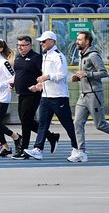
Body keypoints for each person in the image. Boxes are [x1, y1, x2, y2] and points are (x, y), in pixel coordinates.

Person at [23, 31, 79, 162]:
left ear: (52, 41)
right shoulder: (46, 55)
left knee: (67, 124)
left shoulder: (58, 56)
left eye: (44, 41)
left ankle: (77, 148)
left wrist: (47, 77)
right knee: (43, 124)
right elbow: (47, 76)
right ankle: (38, 149)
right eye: (41, 41)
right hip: (46, 96)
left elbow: (62, 75)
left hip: (59, 96)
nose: (41, 43)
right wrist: (39, 85)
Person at [72, 31, 109, 162]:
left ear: (87, 41)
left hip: (94, 95)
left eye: (79, 39)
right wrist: (78, 77)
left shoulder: (93, 55)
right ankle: (81, 152)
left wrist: (87, 74)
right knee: (77, 123)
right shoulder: (82, 54)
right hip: (83, 95)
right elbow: (85, 74)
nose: (77, 41)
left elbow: (104, 73)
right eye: (77, 39)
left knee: (100, 124)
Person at [12, 35, 60, 160]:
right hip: (21, 93)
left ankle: (24, 149)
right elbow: (18, 73)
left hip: (33, 94)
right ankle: (51, 136)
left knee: (26, 122)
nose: (20, 48)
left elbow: (45, 74)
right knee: (26, 120)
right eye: (18, 45)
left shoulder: (36, 58)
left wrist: (39, 84)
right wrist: (12, 83)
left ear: (30, 45)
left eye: (23, 45)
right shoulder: (18, 58)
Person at [0, 39, 22, 157]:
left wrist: (1, 85)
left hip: (2, 96)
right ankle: (6, 147)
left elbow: (13, 78)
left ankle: (16, 137)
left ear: (1, 49)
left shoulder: (3, 62)